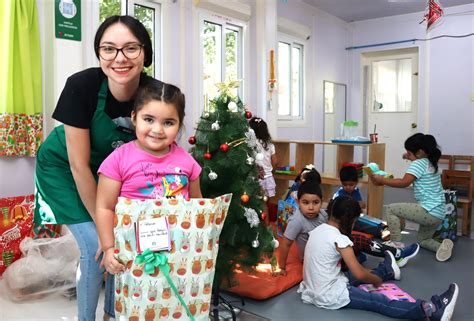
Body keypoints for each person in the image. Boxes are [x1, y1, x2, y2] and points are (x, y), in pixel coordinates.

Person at [33, 15, 155, 321]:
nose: (119, 58)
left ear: (145, 53)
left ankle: (112, 314)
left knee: (120, 238)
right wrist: (104, 229)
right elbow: (78, 164)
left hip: (108, 173)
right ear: (99, 54)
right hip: (63, 167)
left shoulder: (155, 94)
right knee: (96, 247)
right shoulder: (81, 86)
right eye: (109, 49)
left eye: (130, 48)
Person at [95, 79, 201, 318]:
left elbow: (197, 209)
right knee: (118, 312)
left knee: (167, 309)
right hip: (128, 256)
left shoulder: (187, 163)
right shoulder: (118, 160)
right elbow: (104, 207)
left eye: (169, 122)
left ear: (180, 125)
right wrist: (108, 247)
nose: (157, 129)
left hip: (175, 256)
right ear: (134, 117)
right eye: (148, 119)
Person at [298, 196, 459, 320]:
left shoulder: (318, 230)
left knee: (352, 275)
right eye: (355, 221)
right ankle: (430, 310)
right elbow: (360, 274)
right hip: (329, 294)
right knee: (378, 301)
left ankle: (388, 270)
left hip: (314, 288)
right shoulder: (340, 240)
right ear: (349, 221)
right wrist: (375, 280)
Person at [367, 133, 452, 262]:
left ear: (419, 152)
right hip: (439, 212)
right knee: (423, 240)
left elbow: (404, 182)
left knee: (391, 209)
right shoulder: (430, 162)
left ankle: (396, 246)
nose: (407, 156)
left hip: (428, 211)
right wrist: (409, 156)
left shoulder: (417, 164)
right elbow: (416, 161)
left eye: (409, 153)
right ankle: (442, 246)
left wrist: (382, 180)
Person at [274, 170, 328, 276]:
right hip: (311, 260)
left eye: (316, 203)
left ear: (322, 202)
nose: (311, 208)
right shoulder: (297, 221)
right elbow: (285, 244)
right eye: (305, 203)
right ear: (298, 202)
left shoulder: (323, 214)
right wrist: (281, 267)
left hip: (326, 251)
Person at [249, 117, 278, 199]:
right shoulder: (269, 145)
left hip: (254, 178)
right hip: (268, 178)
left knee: (254, 202)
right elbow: (275, 162)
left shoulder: (249, 145)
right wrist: (272, 172)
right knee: (265, 202)